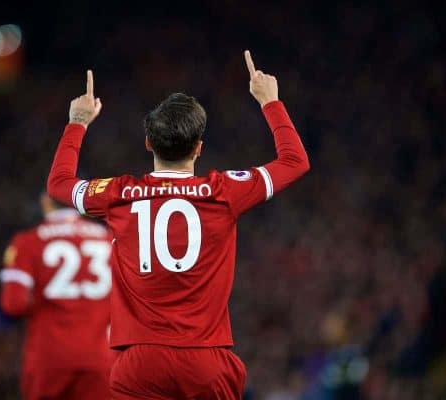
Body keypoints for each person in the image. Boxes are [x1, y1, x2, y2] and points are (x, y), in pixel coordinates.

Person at [47, 50, 310, 399]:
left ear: (147, 143)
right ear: (199, 148)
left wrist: (77, 122)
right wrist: (270, 101)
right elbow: (294, 161)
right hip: (207, 362)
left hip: (139, 363)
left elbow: (60, 183)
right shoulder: (225, 191)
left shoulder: (119, 194)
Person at [0, 194, 114, 400]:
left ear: (45, 201)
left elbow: (13, 304)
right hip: (100, 357)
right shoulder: (109, 241)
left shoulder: (28, 242)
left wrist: (47, 300)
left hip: (49, 358)